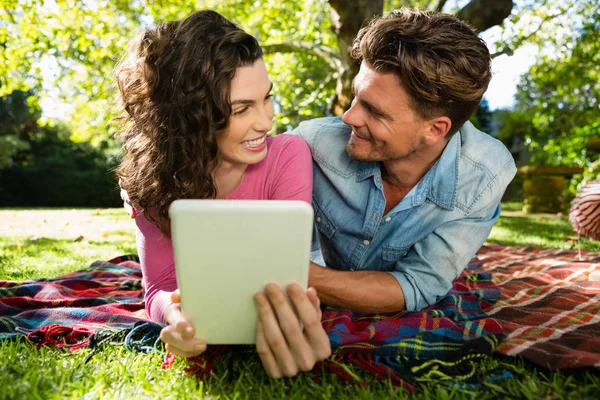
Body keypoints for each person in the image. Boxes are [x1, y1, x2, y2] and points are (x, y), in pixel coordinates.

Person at [114, 10, 330, 379]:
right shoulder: (151, 182)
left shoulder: (288, 155)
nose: (266, 121)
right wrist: (175, 315)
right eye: (242, 108)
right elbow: (158, 293)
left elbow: (280, 276)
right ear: (192, 114)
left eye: (267, 99)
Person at [295, 8, 517, 313]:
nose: (349, 117)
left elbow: (416, 285)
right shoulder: (310, 144)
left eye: (374, 111)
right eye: (356, 96)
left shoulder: (483, 176)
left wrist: (293, 273)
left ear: (434, 130)